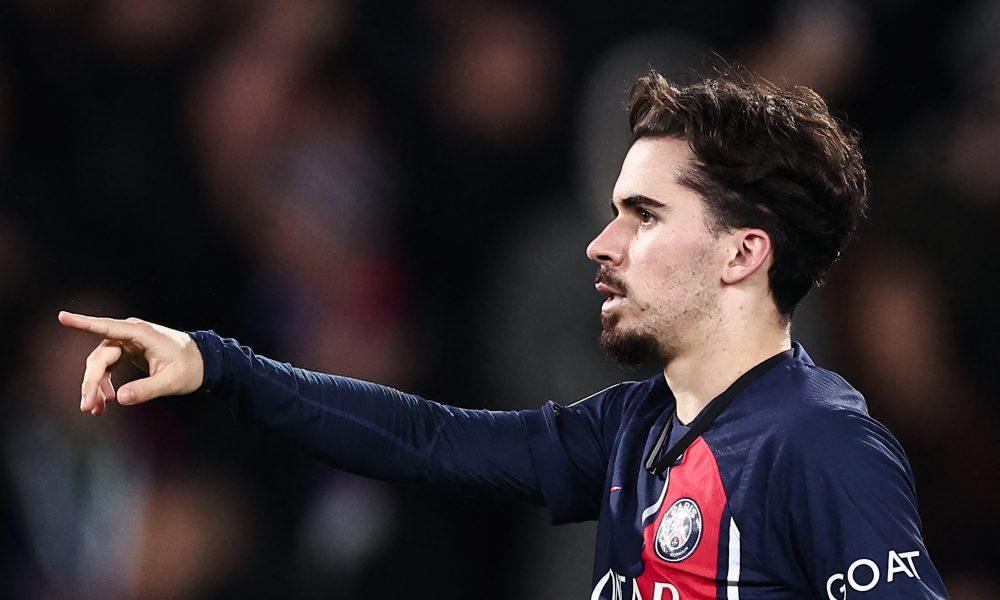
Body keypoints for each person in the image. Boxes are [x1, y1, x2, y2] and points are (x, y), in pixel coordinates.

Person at [59, 70, 947, 599]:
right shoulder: (632, 428)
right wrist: (215, 363)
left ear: (743, 253)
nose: (601, 244)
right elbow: (425, 439)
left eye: (643, 215)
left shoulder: (820, 444)